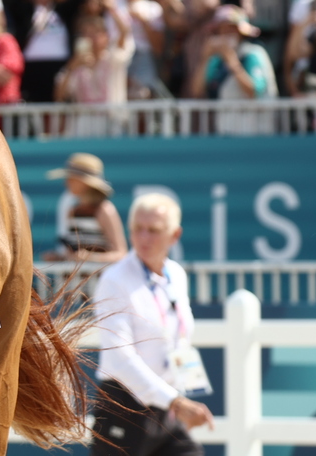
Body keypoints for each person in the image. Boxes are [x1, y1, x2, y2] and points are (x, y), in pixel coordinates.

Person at [92, 193, 215, 456]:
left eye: (154, 230)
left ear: (175, 235)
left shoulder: (176, 275)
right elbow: (120, 360)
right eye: (137, 229)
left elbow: (180, 339)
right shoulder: (115, 280)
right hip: (124, 406)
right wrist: (177, 402)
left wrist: (182, 393)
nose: (143, 238)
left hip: (164, 405)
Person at [42, 154, 127, 263]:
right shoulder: (73, 210)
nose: (66, 182)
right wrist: (59, 258)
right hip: (77, 279)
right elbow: (74, 255)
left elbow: (121, 254)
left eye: (71, 178)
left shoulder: (104, 210)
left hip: (101, 279)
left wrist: (91, 258)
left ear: (84, 182)